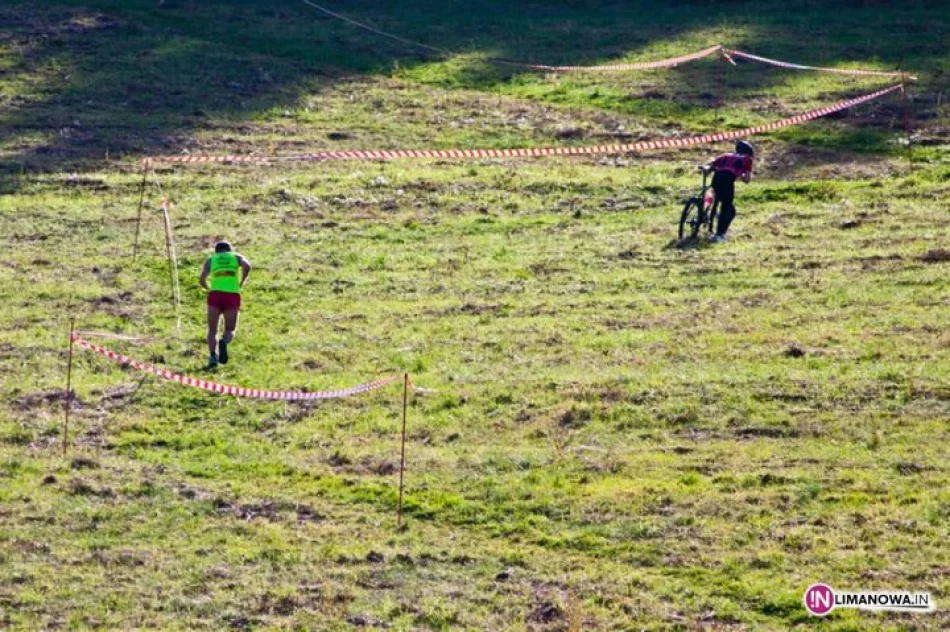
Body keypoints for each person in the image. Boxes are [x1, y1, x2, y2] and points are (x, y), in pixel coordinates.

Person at [199, 241, 251, 368]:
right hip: (232, 295)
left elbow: (202, 279)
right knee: (230, 329)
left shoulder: (212, 259)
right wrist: (242, 281)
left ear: (216, 251)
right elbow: (247, 265)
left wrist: (208, 288)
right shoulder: (235, 256)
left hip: (215, 295)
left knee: (212, 330)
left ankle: (212, 356)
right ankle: (224, 341)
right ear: (229, 249)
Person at [705, 140, 755, 242]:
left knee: (717, 196)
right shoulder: (747, 159)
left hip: (716, 178)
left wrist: (709, 169)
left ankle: (705, 215)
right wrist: (742, 175)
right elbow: (747, 180)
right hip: (727, 180)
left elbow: (711, 164)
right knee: (729, 210)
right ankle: (719, 235)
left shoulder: (726, 155)